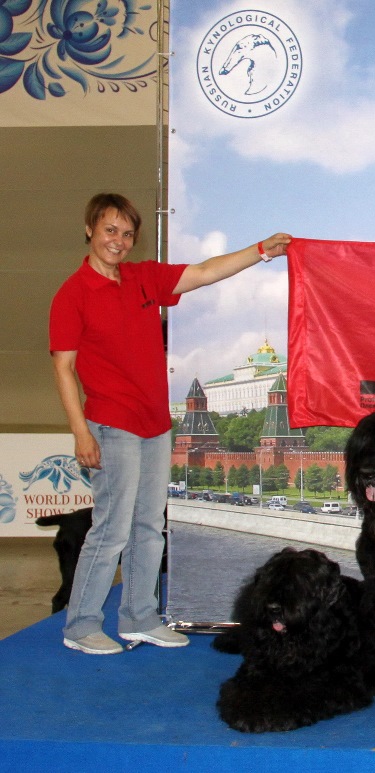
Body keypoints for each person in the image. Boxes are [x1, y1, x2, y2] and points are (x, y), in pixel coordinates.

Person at [49, 192, 292, 655]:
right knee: (111, 529)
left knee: (147, 527)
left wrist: (261, 250)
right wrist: (80, 432)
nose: (118, 241)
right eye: (109, 231)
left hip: (156, 425)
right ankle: (80, 626)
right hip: (111, 425)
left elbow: (204, 272)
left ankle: (139, 617)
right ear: (89, 230)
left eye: (127, 234)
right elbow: (63, 368)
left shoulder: (143, 279)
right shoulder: (72, 293)